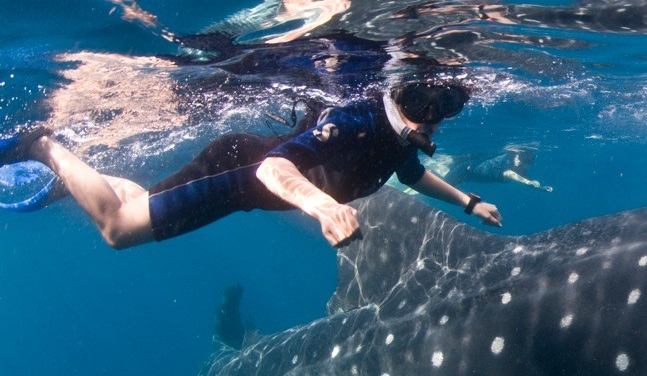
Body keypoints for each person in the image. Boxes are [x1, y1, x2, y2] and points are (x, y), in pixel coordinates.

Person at [0, 80, 501, 249]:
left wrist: (469, 200)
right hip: (238, 169)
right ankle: (43, 146)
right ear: (403, 96)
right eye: (430, 106)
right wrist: (324, 208)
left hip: (242, 189)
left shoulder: (398, 137)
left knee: (140, 204)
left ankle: (73, 179)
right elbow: (272, 169)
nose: (438, 119)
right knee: (118, 228)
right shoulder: (356, 121)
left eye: (447, 107)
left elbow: (410, 173)